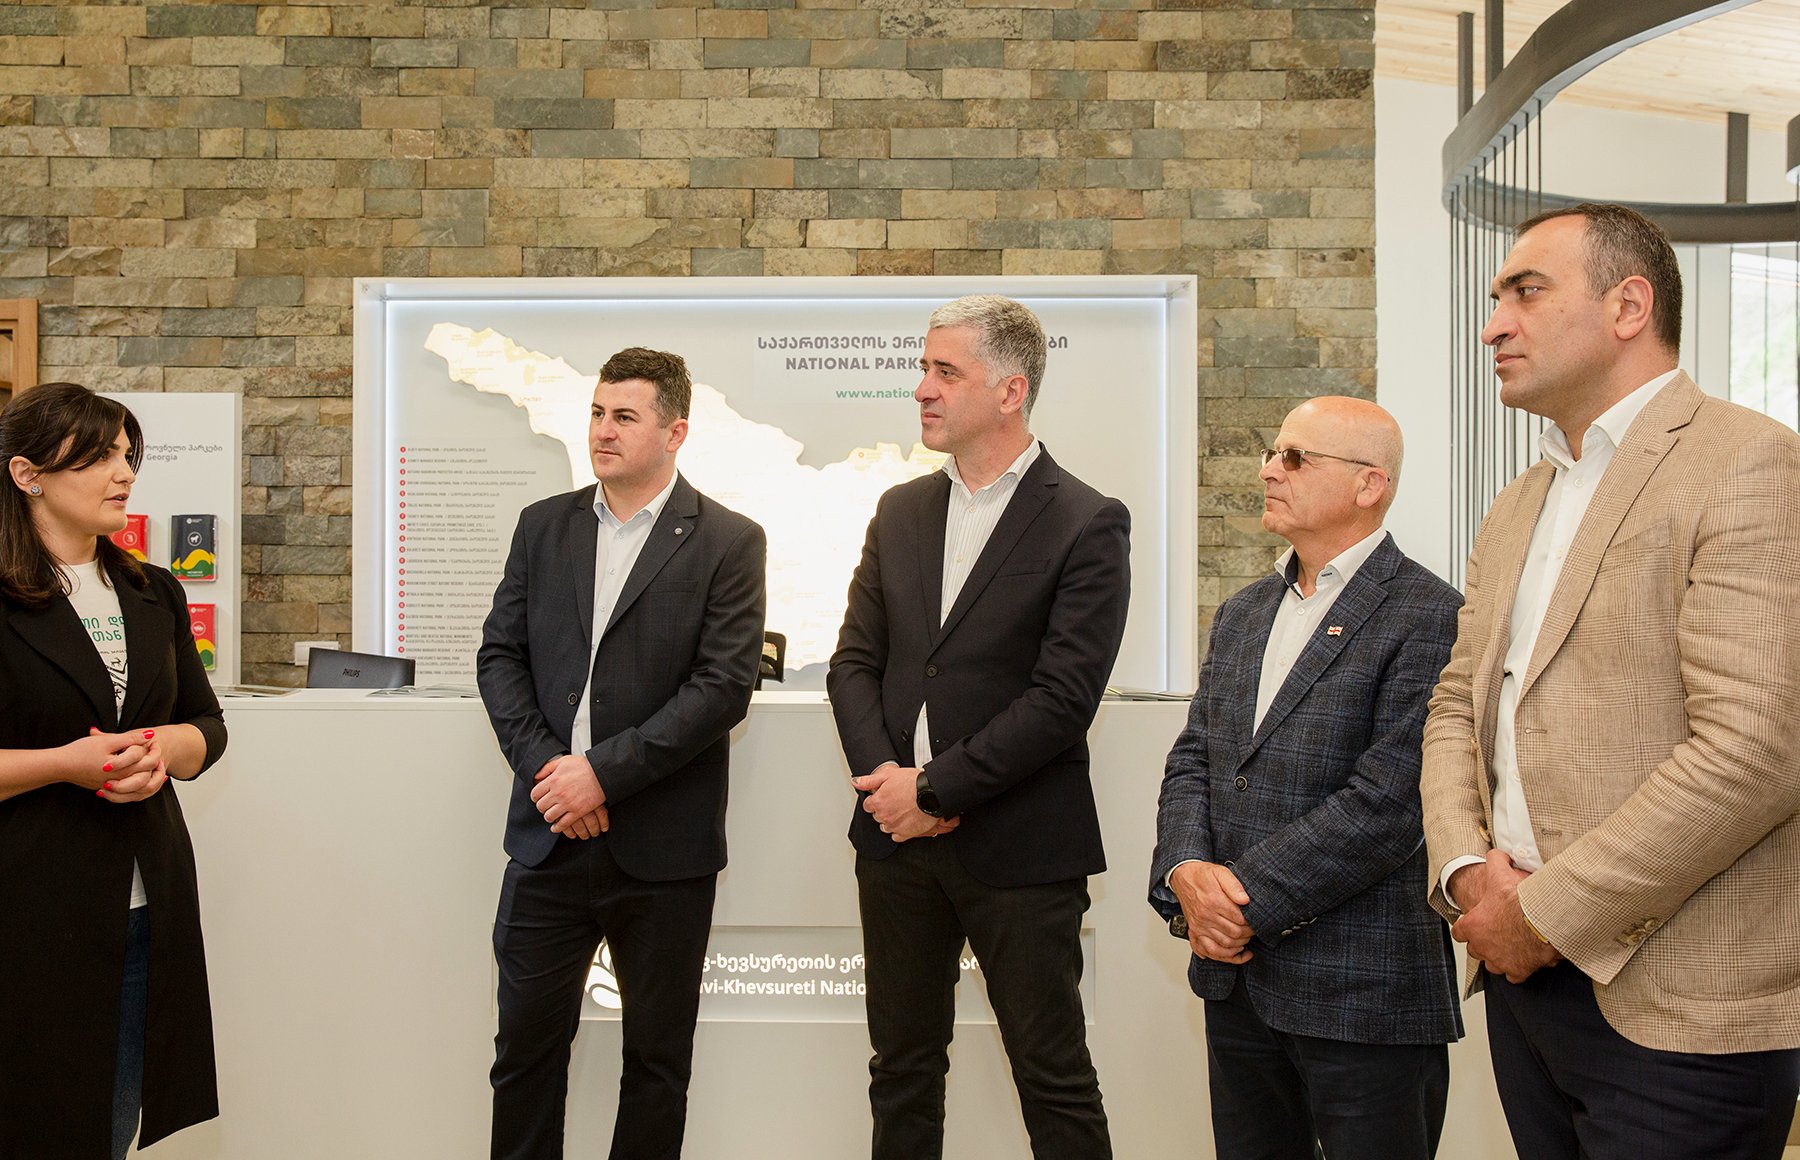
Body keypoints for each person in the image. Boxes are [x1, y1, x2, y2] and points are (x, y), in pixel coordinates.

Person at [1422, 203, 1800, 1160]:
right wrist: (1467, 873)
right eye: (1497, 297)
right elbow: (1458, 703)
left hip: (1678, 1006)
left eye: (1526, 291)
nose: (1493, 325)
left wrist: (1545, 914)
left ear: (1629, 306)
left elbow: (1755, 751)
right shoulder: (1520, 500)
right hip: (1523, 985)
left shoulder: (1749, 460)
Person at [828, 295, 1131, 1160]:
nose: (921, 388)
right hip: (895, 846)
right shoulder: (900, 511)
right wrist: (890, 792)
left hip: (1021, 849)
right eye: (923, 369)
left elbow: (1063, 698)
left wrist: (933, 790)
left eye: (944, 371)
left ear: (1010, 390)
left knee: (1053, 1077)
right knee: (901, 1071)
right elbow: (854, 664)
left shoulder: (1086, 520)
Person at [1149, 396, 1462, 1160]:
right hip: (1237, 984)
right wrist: (1185, 872)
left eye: (1294, 458)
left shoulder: (1431, 613)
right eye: (1272, 453)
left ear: (1368, 484)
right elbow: (1195, 758)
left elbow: (1389, 804)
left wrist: (1236, 901)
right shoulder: (1244, 612)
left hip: (1363, 994)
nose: (1268, 470)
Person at [477, 347, 767, 1160]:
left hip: (663, 851)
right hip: (547, 840)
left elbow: (722, 688)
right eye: (598, 413)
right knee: (524, 1056)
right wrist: (553, 775)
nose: (603, 431)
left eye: (625, 417)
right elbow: (499, 657)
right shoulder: (544, 526)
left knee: (656, 1066)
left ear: (675, 432)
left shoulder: (729, 541)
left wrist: (599, 776)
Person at [0, 383, 228, 1160]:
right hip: (27, 910)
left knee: (109, 1128)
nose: (124, 473)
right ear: (27, 474)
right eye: (98, 457)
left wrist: (164, 749)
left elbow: (207, 727)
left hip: (143, 909)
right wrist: (65, 764)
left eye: (128, 455)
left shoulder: (152, 589)